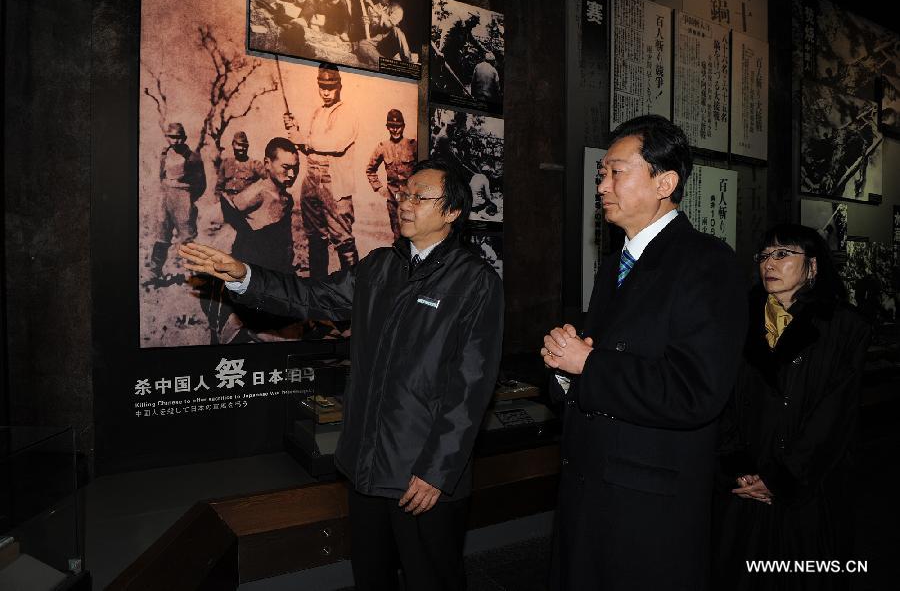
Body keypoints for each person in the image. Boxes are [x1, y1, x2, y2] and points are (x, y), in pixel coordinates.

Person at [179, 159, 503, 591]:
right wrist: (244, 276)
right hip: (366, 464)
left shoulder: (474, 283)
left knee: (433, 578)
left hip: (422, 475)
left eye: (420, 197)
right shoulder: (378, 267)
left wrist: (436, 472)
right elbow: (311, 297)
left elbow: (471, 389)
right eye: (404, 195)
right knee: (370, 575)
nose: (406, 204)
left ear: (452, 212)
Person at [541, 114, 747, 590]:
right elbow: (601, 359)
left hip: (647, 504)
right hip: (590, 489)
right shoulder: (617, 263)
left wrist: (587, 364)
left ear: (665, 182)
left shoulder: (707, 263)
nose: (602, 186)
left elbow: (696, 392)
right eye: (601, 174)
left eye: (616, 172)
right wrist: (564, 366)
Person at [713, 225, 871, 591]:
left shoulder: (845, 327)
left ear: (812, 267)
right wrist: (738, 464)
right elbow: (720, 394)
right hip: (746, 484)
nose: (770, 264)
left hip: (808, 484)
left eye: (783, 254)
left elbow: (835, 414)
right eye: (765, 256)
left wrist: (783, 478)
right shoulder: (737, 319)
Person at [284, 63, 359, 277]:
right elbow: (309, 148)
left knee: (342, 239)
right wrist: (294, 130)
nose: (326, 92)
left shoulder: (347, 113)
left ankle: (352, 294)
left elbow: (335, 143)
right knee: (315, 238)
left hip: (333, 182)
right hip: (310, 180)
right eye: (322, 86)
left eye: (331, 87)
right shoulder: (317, 112)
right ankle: (319, 290)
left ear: (339, 86)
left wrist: (304, 140)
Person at [224, 136, 298, 272]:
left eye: (296, 167)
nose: (292, 174)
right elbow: (228, 222)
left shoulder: (287, 198)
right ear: (267, 164)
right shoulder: (256, 194)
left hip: (279, 269)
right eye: (286, 167)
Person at [146, 122, 206, 286]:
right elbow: (161, 176)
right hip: (165, 197)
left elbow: (201, 184)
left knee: (187, 239)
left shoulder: (193, 157)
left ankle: (193, 274)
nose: (175, 141)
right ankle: (153, 272)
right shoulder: (165, 154)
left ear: (184, 138)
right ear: (167, 137)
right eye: (172, 137)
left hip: (184, 199)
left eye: (179, 137)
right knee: (162, 236)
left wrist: (188, 199)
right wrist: (165, 194)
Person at [365, 109, 417, 240]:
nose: (395, 130)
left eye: (398, 126)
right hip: (393, 199)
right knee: (397, 233)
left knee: (413, 232)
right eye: (392, 127)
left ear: (403, 126)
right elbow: (370, 169)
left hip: (410, 198)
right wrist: (379, 188)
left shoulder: (413, 145)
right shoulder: (383, 147)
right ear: (387, 127)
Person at [214, 131, 265, 232]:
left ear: (248, 146)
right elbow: (219, 187)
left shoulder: (254, 164)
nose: (241, 148)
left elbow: (267, 180)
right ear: (233, 144)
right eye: (238, 145)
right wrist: (218, 203)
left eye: (244, 145)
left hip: (245, 206)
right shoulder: (226, 163)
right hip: (226, 205)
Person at [356, 0, 412, 66]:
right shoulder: (371, 8)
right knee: (363, 44)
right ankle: (383, 62)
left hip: (391, 43)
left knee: (397, 31)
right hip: (379, 42)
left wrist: (373, 6)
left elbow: (388, 25)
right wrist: (365, 23)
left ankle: (407, 61)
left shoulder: (397, 8)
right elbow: (372, 31)